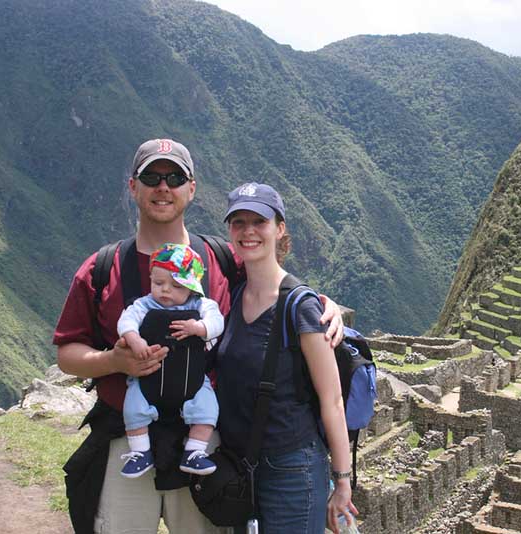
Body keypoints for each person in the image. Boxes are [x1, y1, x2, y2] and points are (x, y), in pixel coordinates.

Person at [54, 139, 345, 534]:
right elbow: (68, 352)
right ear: (133, 187)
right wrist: (113, 361)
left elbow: (274, 290)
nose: (163, 187)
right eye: (151, 177)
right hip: (128, 438)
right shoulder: (103, 268)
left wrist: (322, 304)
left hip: (202, 439)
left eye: (174, 177)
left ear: (191, 189)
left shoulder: (222, 261)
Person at [215, 183, 357, 534]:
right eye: (239, 222)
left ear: (279, 229)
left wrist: (342, 479)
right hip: (241, 465)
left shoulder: (302, 308)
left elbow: (333, 400)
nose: (248, 231)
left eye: (259, 222)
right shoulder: (231, 295)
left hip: (292, 468)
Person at [117, 243, 222, 478]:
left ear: (192, 288)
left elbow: (217, 323)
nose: (165, 290)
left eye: (176, 285)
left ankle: (195, 451)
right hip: (148, 376)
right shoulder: (144, 305)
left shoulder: (201, 306)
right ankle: (140, 451)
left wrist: (199, 327)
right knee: (133, 407)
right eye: (158, 283)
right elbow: (126, 321)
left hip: (192, 378)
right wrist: (134, 339)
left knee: (208, 409)